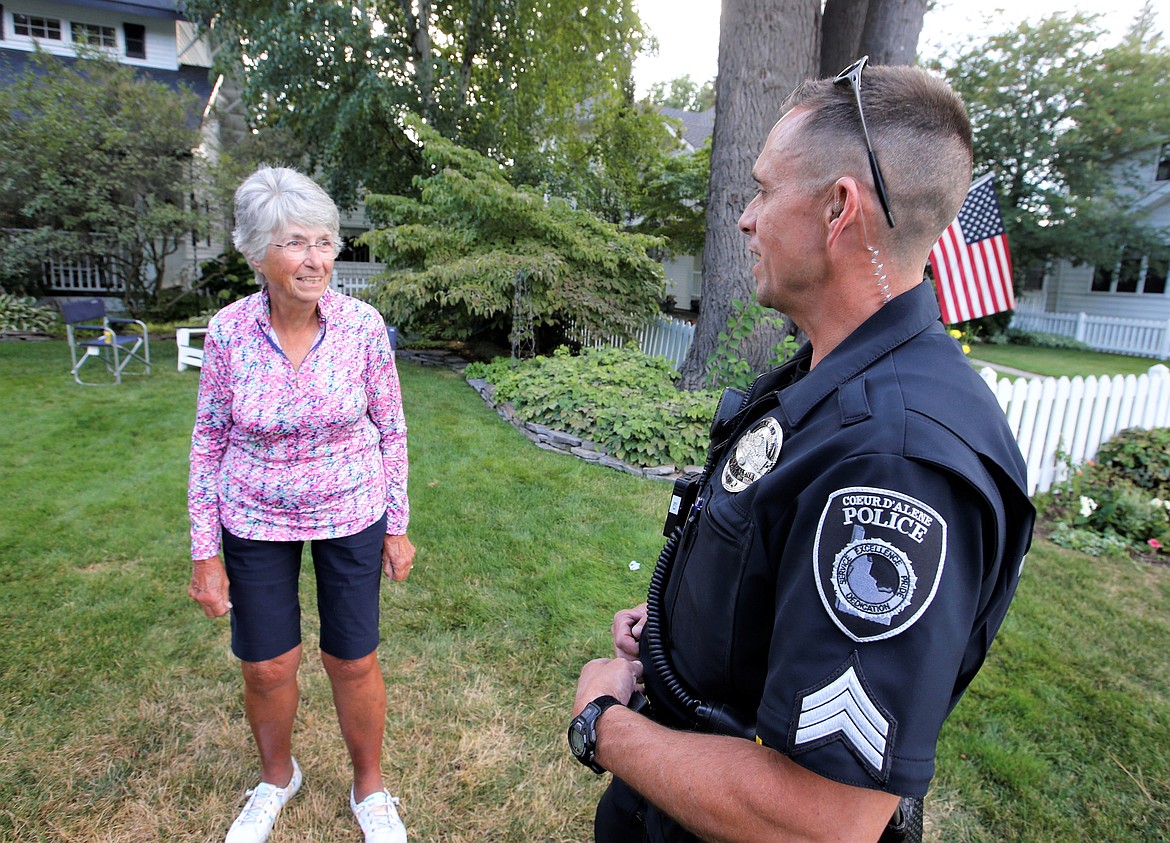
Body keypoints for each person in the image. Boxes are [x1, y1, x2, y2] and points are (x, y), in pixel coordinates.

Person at [566, 59, 1035, 842]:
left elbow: (823, 817)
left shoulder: (896, 463)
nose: (745, 219)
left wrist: (601, 723)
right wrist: (673, 632)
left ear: (836, 208)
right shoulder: (831, 366)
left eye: (762, 189)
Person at [188, 165, 416, 843]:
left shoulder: (363, 326)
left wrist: (396, 525)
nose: (315, 258)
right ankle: (276, 775)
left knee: (352, 656)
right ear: (257, 253)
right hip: (253, 513)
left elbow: (393, 428)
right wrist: (205, 549)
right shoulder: (228, 333)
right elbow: (207, 442)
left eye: (323, 240)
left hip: (351, 508)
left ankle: (370, 787)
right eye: (295, 243)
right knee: (266, 662)